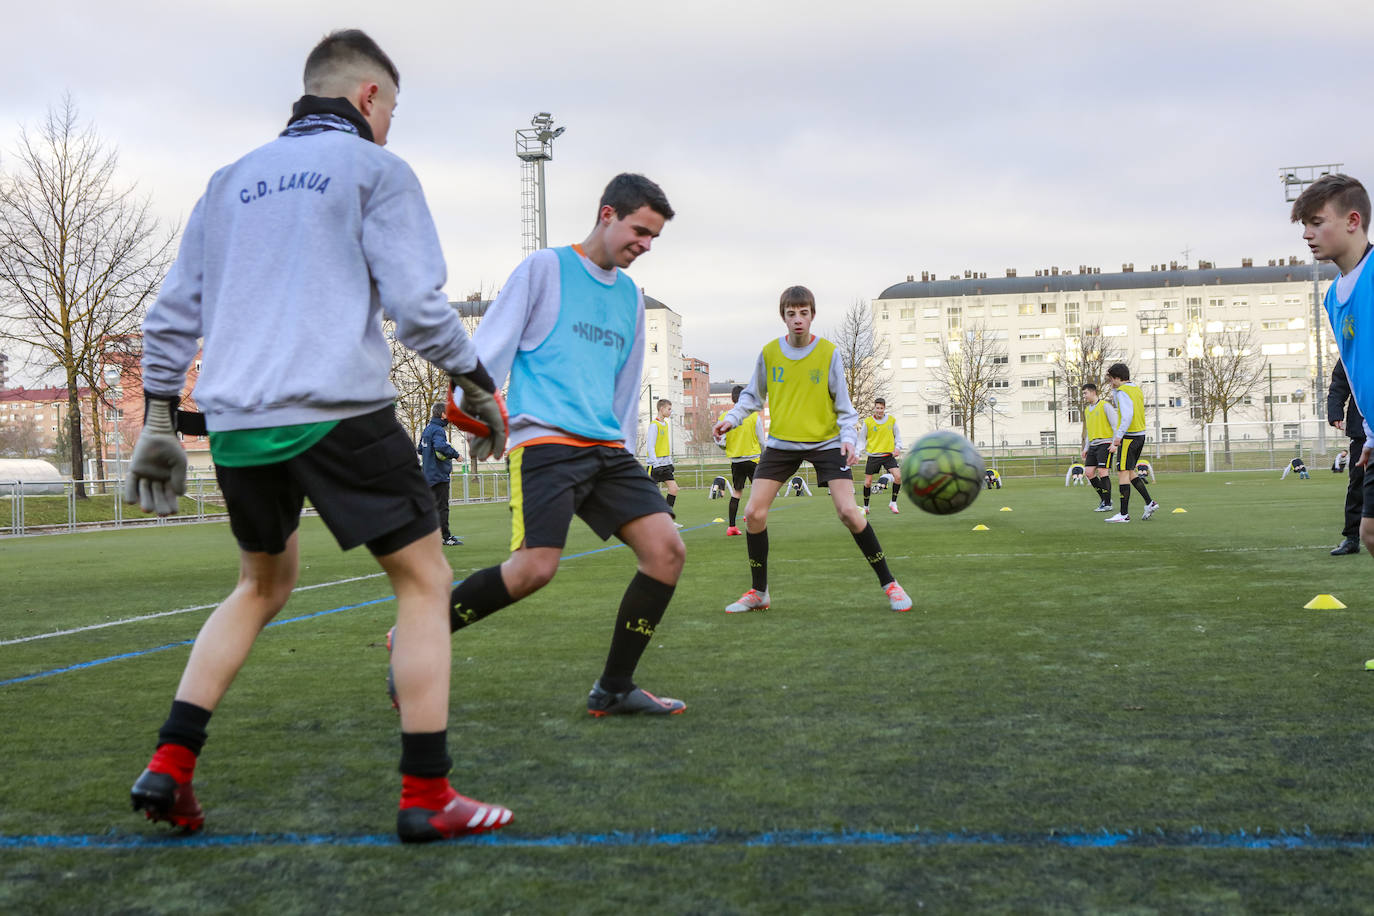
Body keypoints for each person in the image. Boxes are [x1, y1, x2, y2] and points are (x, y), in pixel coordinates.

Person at [123, 30, 511, 843]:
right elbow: (417, 307)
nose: (392, 124)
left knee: (259, 588)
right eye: (393, 108)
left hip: (237, 422)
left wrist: (159, 418)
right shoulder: (376, 168)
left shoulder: (228, 181)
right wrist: (477, 378)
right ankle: (428, 793)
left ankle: (171, 763)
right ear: (369, 97)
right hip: (338, 409)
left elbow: (169, 319)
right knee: (425, 581)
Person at [408, 172, 687, 717]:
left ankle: (614, 687)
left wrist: (628, 453)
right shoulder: (545, 269)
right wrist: (472, 406)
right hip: (546, 443)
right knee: (535, 568)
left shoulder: (630, 296)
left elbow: (625, 388)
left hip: (608, 450)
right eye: (639, 230)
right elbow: (489, 348)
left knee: (667, 552)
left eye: (654, 237)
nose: (645, 245)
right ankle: (416, 637)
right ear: (607, 214)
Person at [713, 286, 912, 614]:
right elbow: (751, 396)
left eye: (803, 313)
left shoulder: (829, 353)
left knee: (849, 512)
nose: (797, 319)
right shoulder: (769, 353)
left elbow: (846, 409)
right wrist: (732, 419)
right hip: (781, 445)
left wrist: (848, 439)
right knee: (753, 513)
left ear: (812, 315)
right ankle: (759, 592)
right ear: (783, 317)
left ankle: (890, 583)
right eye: (791, 314)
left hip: (826, 444)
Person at [1293, 175, 1374, 576]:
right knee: (1370, 532)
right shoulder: (1332, 295)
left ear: (1352, 220)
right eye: (1303, 225)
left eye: (1316, 222)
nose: (1307, 234)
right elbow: (1357, 370)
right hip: (1372, 436)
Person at [1103, 363, 1160, 523]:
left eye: (1111, 379)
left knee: (1122, 472)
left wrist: (1118, 437)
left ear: (1117, 377)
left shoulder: (1123, 392)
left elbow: (1127, 416)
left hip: (1129, 437)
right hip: (1139, 435)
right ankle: (1149, 502)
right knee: (1129, 472)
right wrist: (1115, 389)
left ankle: (1123, 514)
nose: (1110, 382)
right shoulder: (1135, 389)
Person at [715, 384, 765, 536]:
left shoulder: (724, 417)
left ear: (732, 399)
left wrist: (728, 448)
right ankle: (751, 519)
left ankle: (731, 527)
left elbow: (721, 441)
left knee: (737, 492)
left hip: (736, 460)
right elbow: (762, 441)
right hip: (753, 459)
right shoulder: (753, 416)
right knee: (758, 493)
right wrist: (765, 455)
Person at [1327, 360, 1364, 555]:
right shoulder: (1353, 351)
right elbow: (1339, 383)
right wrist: (1335, 412)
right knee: (1357, 484)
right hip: (1362, 431)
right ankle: (1352, 538)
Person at [419, 403, 463, 546]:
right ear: (443, 415)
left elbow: (420, 449)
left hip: (427, 475)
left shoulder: (427, 429)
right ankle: (446, 538)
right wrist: (455, 454)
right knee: (442, 507)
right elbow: (440, 446)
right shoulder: (438, 430)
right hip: (438, 476)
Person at [860, 397, 903, 515]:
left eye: (881, 408)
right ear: (874, 408)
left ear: (884, 408)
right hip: (873, 456)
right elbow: (862, 439)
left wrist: (898, 448)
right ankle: (866, 506)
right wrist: (857, 452)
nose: (879, 410)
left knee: (898, 477)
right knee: (868, 483)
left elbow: (898, 436)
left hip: (888, 455)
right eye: (877, 408)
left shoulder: (891, 420)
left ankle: (893, 503)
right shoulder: (868, 422)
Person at [1079, 382, 1117, 511]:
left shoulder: (1105, 406)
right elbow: (1089, 431)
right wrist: (1086, 448)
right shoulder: (1087, 410)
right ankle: (1105, 499)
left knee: (1102, 471)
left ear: (1093, 392)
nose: (1084, 396)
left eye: (1085, 393)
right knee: (1089, 473)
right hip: (1093, 446)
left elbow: (1115, 425)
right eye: (1083, 393)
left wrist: (1114, 443)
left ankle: (1107, 504)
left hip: (1105, 444)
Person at [643, 398, 680, 518]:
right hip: (655, 465)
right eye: (669, 409)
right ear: (661, 409)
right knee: (650, 494)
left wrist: (669, 462)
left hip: (665, 464)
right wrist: (656, 464)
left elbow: (665, 445)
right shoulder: (654, 425)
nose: (670, 411)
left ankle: (667, 520)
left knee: (673, 489)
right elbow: (650, 447)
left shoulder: (666, 424)